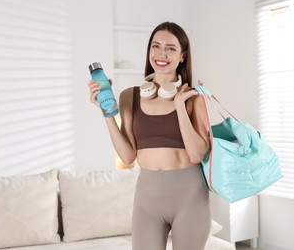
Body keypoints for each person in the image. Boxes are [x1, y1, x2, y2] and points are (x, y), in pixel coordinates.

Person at [88, 21, 211, 250]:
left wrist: (180, 106)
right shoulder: (129, 97)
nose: (161, 54)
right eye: (156, 46)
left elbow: (196, 155)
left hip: (190, 197)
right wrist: (106, 112)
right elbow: (127, 156)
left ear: (182, 56)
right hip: (147, 199)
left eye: (171, 48)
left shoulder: (194, 98)